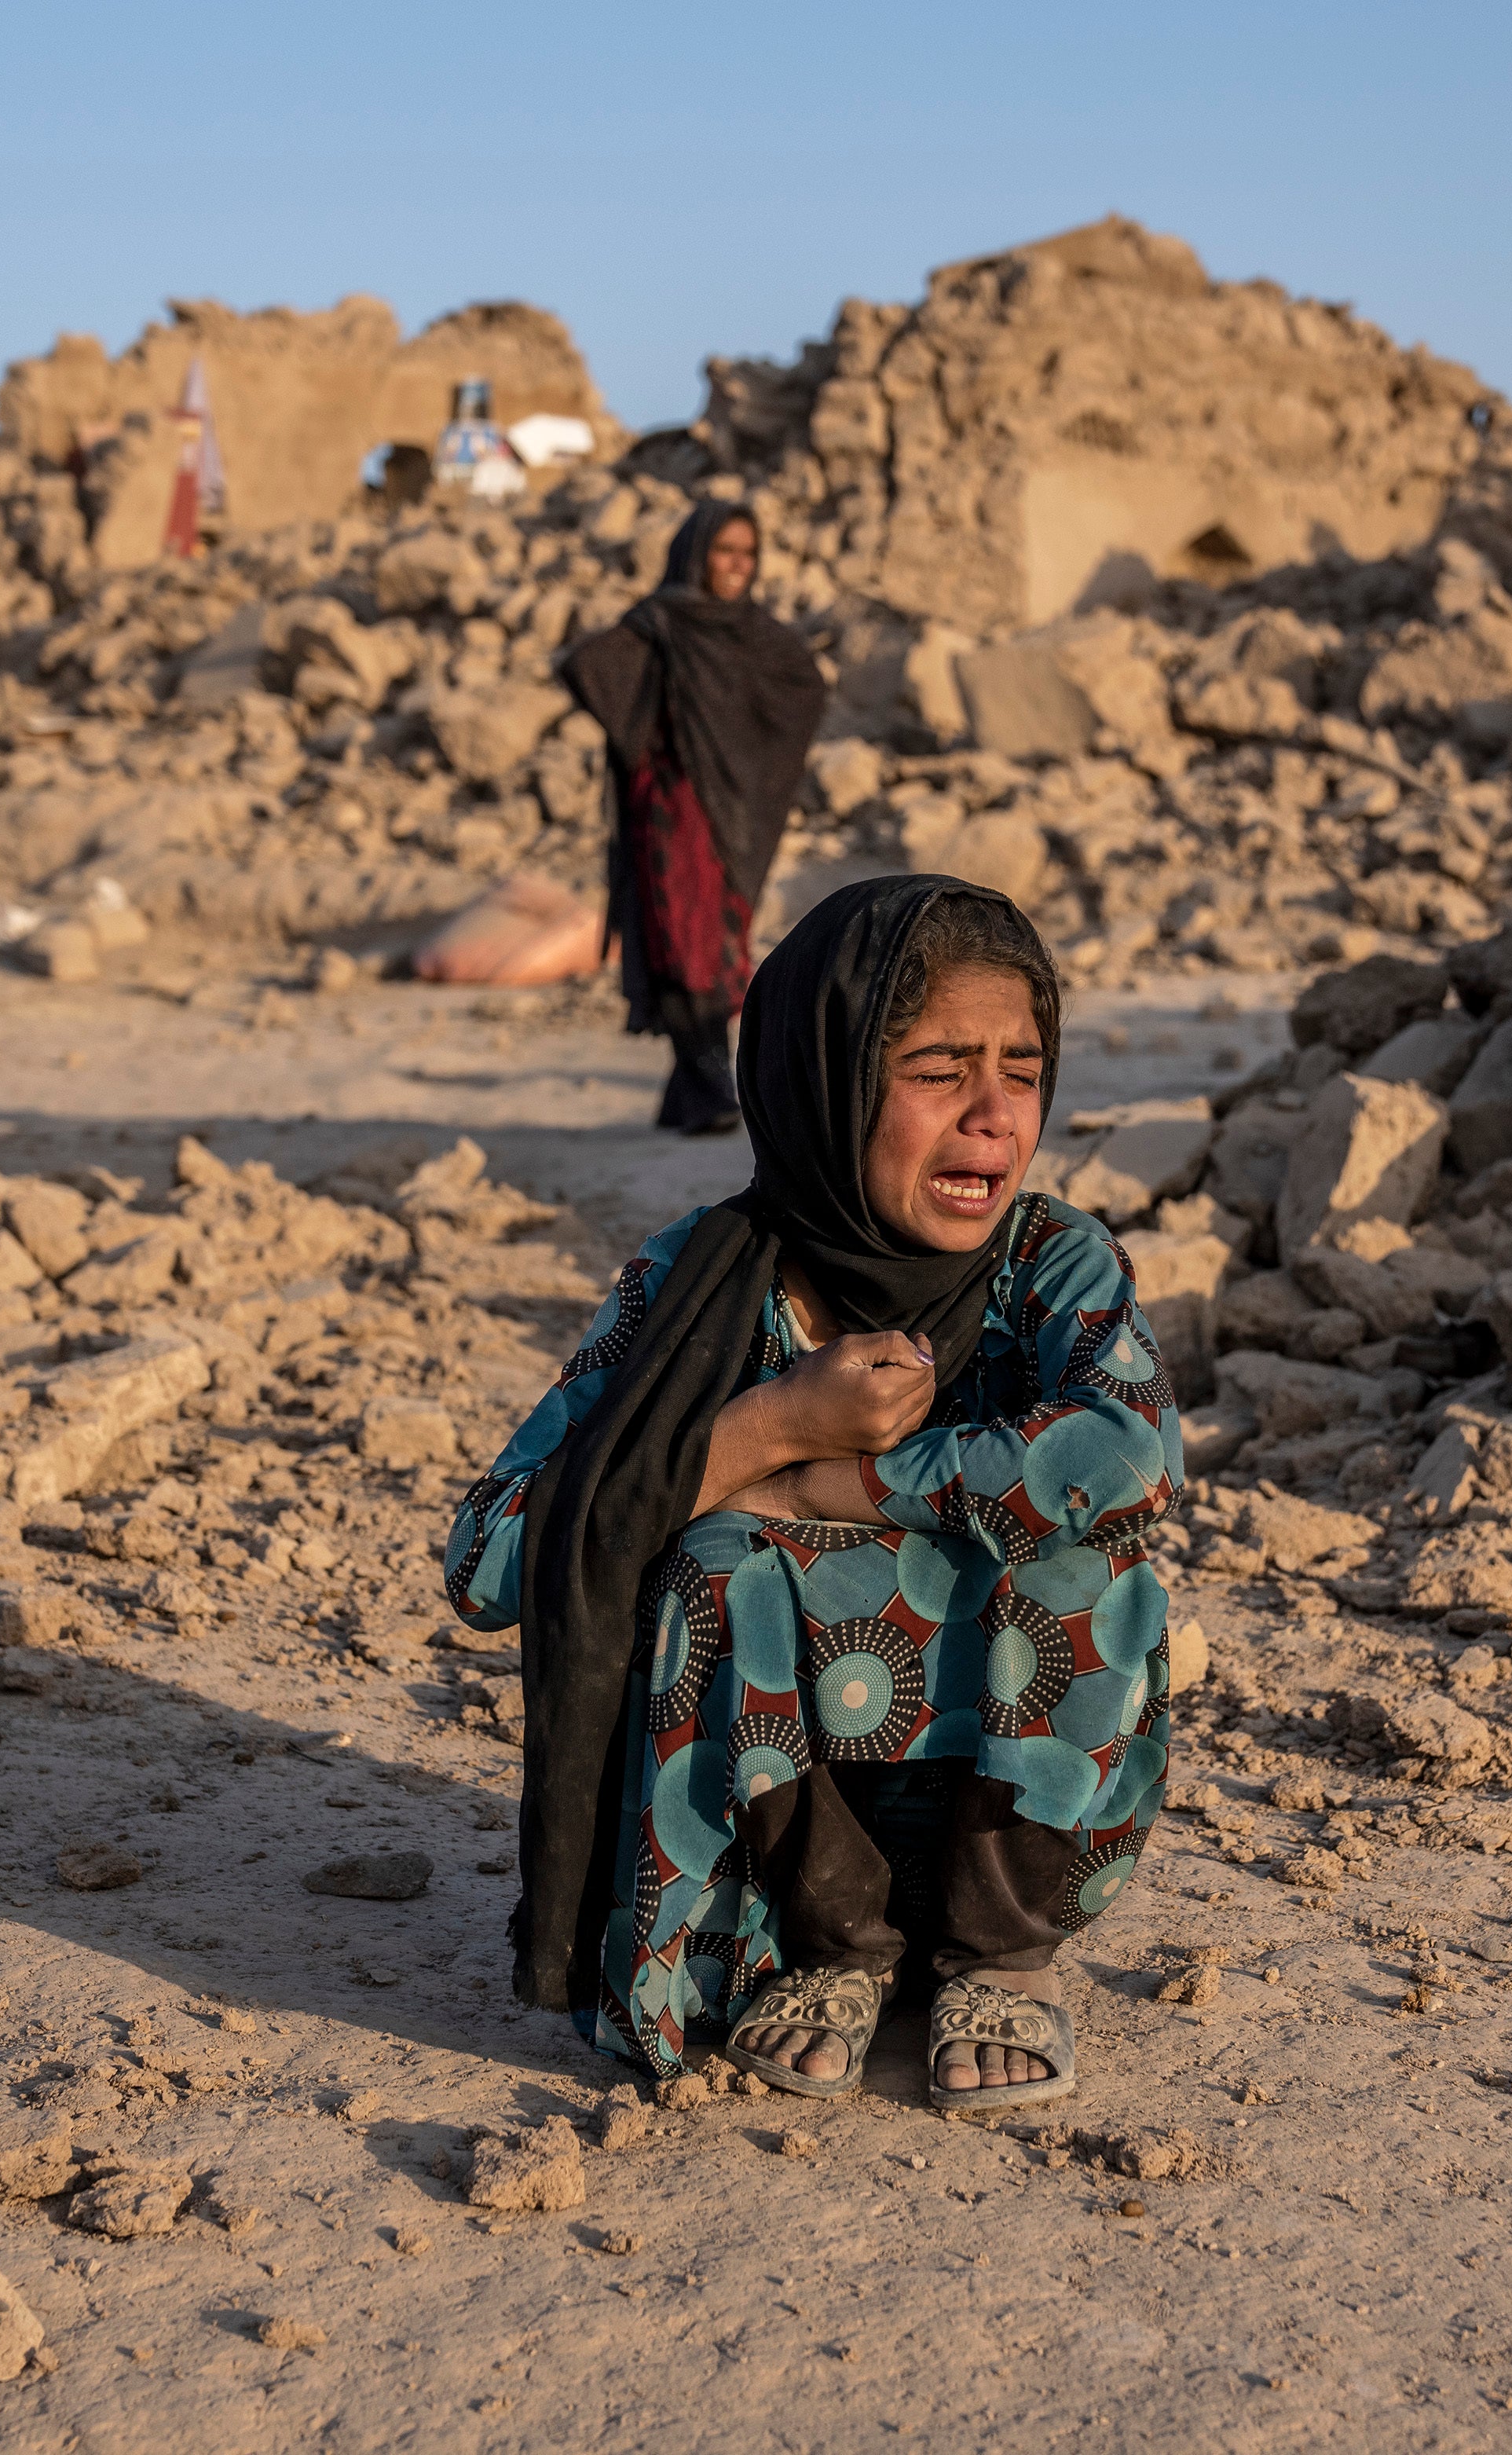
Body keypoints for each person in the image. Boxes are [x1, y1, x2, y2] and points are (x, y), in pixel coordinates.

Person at [441, 875, 1181, 2107]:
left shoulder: (1051, 1262)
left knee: (1079, 1550)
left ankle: (1003, 1950)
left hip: (1002, 1810)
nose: (995, 1116)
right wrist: (764, 1430)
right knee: (720, 1559)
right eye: (940, 1068)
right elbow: (490, 1558)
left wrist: (845, 1476)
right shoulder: (697, 1283)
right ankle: (838, 1941)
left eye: (1023, 1067)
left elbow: (1127, 1455)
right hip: (774, 1835)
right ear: (825, 1078)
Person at [556, 500, 829, 1135]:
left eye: (747, 553)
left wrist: (751, 761)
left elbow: (804, 689)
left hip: (733, 814)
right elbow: (589, 666)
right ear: (695, 553)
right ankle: (709, 1088)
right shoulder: (661, 621)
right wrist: (646, 732)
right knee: (680, 943)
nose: (737, 565)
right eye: (725, 550)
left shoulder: (754, 633)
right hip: (673, 807)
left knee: (717, 943)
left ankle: (689, 1093)